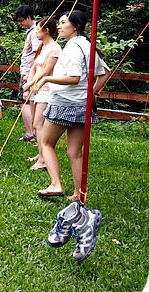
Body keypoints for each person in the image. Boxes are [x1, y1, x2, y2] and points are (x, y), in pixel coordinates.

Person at [34, 11, 111, 200]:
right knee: (75, 152)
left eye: (62, 23)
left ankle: (55, 184)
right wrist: (90, 93)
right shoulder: (88, 45)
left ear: (75, 26)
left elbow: (74, 78)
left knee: (46, 143)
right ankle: (78, 193)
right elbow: (105, 73)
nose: (59, 26)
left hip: (64, 103)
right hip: (82, 105)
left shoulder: (72, 47)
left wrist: (46, 77)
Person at [21, 17, 61, 170]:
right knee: (36, 124)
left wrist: (30, 85)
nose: (36, 32)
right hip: (35, 88)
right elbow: (33, 67)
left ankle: (43, 159)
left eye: (38, 29)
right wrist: (29, 84)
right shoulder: (42, 46)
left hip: (47, 89)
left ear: (47, 30)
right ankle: (41, 153)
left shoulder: (55, 48)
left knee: (39, 124)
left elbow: (45, 71)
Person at [14, 5, 42, 143]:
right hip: (27, 72)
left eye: (21, 20)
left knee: (24, 101)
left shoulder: (36, 32)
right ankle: (33, 133)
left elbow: (38, 55)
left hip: (29, 73)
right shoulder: (31, 31)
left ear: (29, 17)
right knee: (26, 101)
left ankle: (30, 133)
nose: (20, 23)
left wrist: (29, 75)